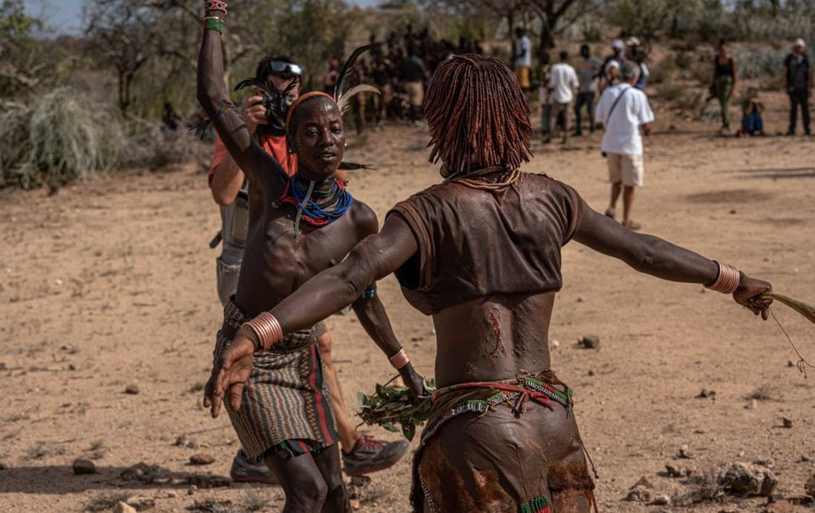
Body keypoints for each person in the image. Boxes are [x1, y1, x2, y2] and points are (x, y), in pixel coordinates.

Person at [207, 53, 773, 513]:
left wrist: (257, 331)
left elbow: (351, 278)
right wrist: (734, 279)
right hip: (555, 423)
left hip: (476, 433)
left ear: (443, 126)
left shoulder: (425, 214)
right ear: (516, 117)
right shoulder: (554, 198)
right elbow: (644, 250)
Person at [198, 12, 416, 508]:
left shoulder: (359, 219)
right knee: (308, 489)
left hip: (305, 360)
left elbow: (363, 294)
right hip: (249, 355)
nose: (326, 140)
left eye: (335, 130)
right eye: (311, 133)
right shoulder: (269, 185)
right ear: (292, 145)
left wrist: (403, 365)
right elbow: (212, 95)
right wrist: (214, 15)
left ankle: (350, 450)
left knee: (336, 496)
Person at [595, 61, 654, 231]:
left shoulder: (608, 93)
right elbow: (646, 123)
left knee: (616, 180)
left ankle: (612, 207)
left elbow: (599, 118)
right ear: (634, 78)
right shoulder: (637, 95)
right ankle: (626, 220)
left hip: (611, 143)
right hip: (630, 144)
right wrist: (648, 132)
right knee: (630, 184)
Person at [546, 50, 579, 144]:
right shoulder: (571, 69)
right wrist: (575, 95)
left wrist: (548, 95)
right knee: (567, 117)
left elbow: (551, 84)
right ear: (567, 58)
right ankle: (566, 137)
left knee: (553, 116)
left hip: (557, 96)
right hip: (568, 96)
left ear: (560, 57)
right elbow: (574, 84)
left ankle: (550, 136)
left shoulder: (555, 68)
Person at [782, 38, 811, 136]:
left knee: (805, 110)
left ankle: (807, 129)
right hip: (793, 87)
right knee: (793, 109)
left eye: (801, 47)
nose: (799, 49)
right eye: (798, 47)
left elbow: (809, 73)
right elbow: (785, 72)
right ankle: (792, 129)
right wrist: (785, 85)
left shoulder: (805, 59)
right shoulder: (789, 58)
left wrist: (809, 87)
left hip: (803, 87)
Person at [574, 44, 603, 136]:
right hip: (582, 89)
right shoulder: (583, 61)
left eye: (583, 51)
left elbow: (602, 68)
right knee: (577, 108)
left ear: (587, 51)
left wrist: (596, 75)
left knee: (590, 110)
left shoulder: (594, 60)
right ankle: (579, 130)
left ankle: (592, 130)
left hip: (590, 89)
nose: (582, 53)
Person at [712, 39, 737, 135]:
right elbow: (714, 72)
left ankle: (726, 124)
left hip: (728, 82)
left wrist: (734, 87)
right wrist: (713, 84)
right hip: (719, 82)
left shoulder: (731, 60)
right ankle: (725, 123)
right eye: (721, 50)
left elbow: (734, 75)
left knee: (725, 103)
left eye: (724, 50)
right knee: (722, 103)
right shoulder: (717, 59)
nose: (723, 52)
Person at [402, 46, 427, 124]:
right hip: (416, 83)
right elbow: (424, 71)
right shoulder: (418, 61)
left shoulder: (406, 61)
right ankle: (415, 120)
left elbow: (402, 72)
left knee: (411, 102)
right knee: (416, 103)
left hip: (408, 83)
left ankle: (411, 119)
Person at [513, 27, 532, 96]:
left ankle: (525, 96)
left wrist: (515, 56)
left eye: (517, 33)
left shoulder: (525, 40)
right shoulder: (520, 40)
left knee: (524, 81)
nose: (516, 35)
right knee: (519, 80)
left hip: (524, 63)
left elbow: (524, 52)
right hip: (520, 63)